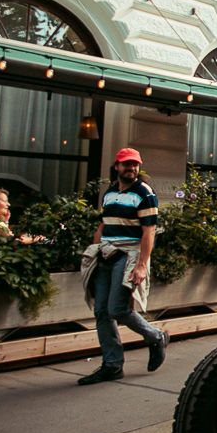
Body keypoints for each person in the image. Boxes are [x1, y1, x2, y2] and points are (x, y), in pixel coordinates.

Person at [78, 148, 168, 385]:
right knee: (101, 312)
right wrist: (94, 250)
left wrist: (141, 265)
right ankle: (112, 365)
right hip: (106, 254)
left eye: (135, 165)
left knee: (117, 309)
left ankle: (155, 336)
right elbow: (102, 225)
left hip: (128, 255)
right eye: (127, 165)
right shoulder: (110, 193)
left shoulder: (144, 193)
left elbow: (149, 232)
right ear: (116, 167)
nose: (132, 169)